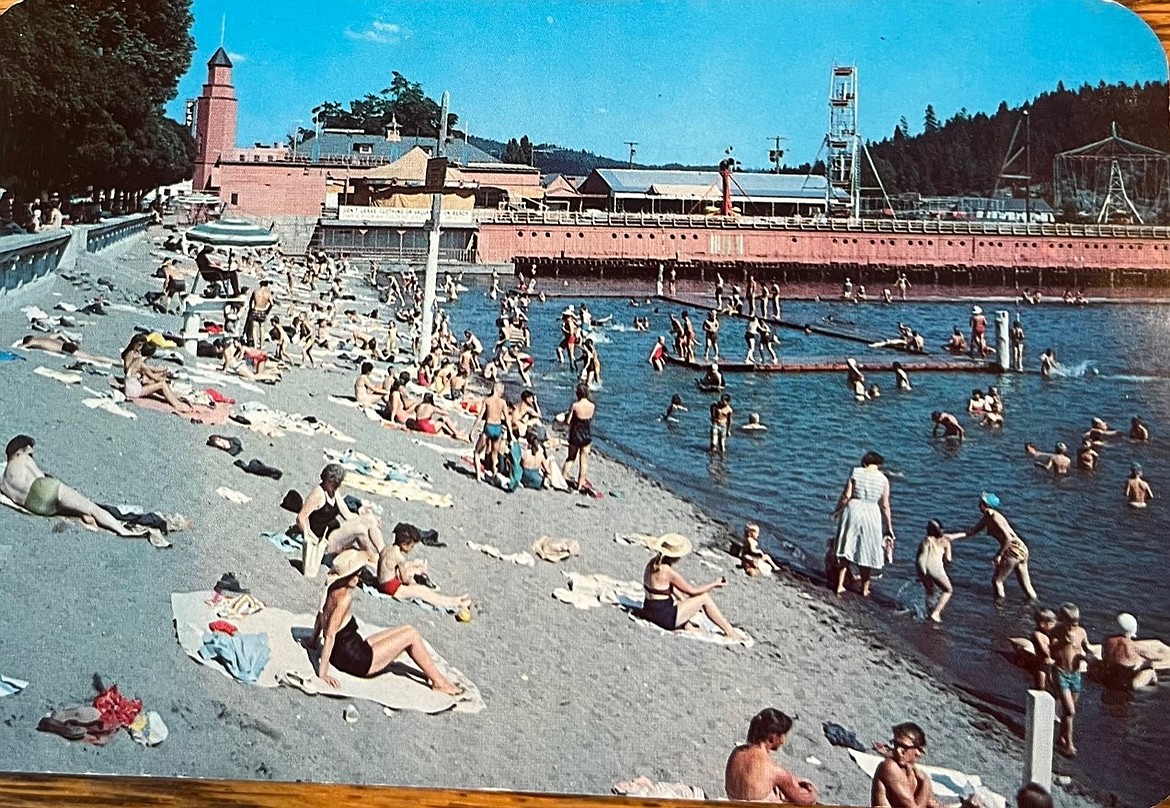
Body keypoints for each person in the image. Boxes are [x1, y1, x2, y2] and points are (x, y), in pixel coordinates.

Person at [307, 550, 462, 695]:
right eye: (355, 573)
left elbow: (321, 616)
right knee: (412, 636)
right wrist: (323, 673)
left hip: (348, 651)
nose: (359, 576)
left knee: (408, 628)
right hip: (358, 662)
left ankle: (431, 673)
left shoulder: (331, 587)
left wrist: (313, 642)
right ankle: (439, 682)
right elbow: (330, 636)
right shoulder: (344, 598)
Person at [1, 435, 149, 538]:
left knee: (65, 507)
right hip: (42, 488)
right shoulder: (24, 460)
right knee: (91, 506)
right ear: (20, 451)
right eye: (29, 452)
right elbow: (40, 477)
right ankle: (122, 531)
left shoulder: (4, 481)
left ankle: (84, 516)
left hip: (33, 505)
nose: (31, 455)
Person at [637, 533, 746, 642]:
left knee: (685, 603)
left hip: (648, 610)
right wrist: (714, 584)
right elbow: (692, 591)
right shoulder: (668, 572)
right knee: (704, 598)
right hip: (663, 617)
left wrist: (687, 602)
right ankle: (729, 632)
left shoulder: (652, 564)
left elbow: (669, 589)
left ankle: (688, 626)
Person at [295, 464, 386, 576]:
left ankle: (382, 556)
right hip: (322, 539)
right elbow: (301, 518)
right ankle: (380, 559)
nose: (338, 485)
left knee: (368, 521)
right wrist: (311, 538)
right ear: (329, 480)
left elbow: (347, 515)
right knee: (360, 530)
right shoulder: (318, 493)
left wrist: (367, 518)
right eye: (336, 482)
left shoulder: (334, 493)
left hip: (332, 532)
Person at [830, 451, 894, 597]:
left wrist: (837, 511)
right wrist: (889, 527)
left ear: (864, 462)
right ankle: (864, 589)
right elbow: (885, 505)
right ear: (878, 464)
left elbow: (846, 495)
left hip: (853, 510)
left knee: (847, 547)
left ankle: (839, 585)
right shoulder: (883, 479)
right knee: (867, 549)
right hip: (872, 513)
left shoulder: (856, 472)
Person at [953, 492, 1038, 601]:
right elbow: (973, 531)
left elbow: (1008, 538)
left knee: (997, 581)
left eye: (981, 502)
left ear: (985, 504)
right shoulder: (987, 517)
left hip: (1013, 549)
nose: (978, 504)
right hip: (1022, 548)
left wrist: (999, 555)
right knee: (1026, 585)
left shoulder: (993, 517)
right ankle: (1035, 605)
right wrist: (951, 536)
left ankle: (1000, 608)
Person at [725, 708, 818, 804]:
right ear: (773, 736)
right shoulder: (773, 770)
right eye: (782, 735)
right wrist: (810, 790)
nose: (783, 741)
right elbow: (804, 799)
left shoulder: (736, 753)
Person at [376, 524, 472, 612]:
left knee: (421, 589)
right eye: (412, 546)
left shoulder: (387, 548)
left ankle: (456, 600)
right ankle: (456, 603)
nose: (412, 548)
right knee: (423, 593)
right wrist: (414, 584)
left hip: (382, 583)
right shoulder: (399, 557)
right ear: (404, 545)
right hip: (390, 588)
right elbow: (405, 579)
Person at [1051, 602, 1092, 757]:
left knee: (1069, 713)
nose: (1073, 628)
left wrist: (1088, 656)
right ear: (1063, 620)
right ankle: (1069, 744)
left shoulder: (1081, 632)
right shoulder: (1057, 631)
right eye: (1070, 624)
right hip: (1061, 672)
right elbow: (1051, 650)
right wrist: (1063, 642)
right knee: (1070, 711)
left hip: (1075, 674)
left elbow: (1085, 647)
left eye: (1075, 624)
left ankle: (1061, 738)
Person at [871, 722, 940, 808]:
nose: (899, 751)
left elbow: (932, 803)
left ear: (918, 751)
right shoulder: (889, 766)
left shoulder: (914, 774)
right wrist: (925, 783)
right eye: (896, 745)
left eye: (904, 747)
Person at [120, 334, 191, 413]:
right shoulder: (138, 360)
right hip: (134, 390)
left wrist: (161, 373)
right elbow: (152, 374)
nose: (140, 348)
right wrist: (164, 376)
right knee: (162, 384)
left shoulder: (131, 355)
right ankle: (176, 404)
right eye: (139, 345)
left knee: (155, 382)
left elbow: (145, 370)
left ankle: (174, 398)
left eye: (142, 346)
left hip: (131, 386)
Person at [916, 520, 963, 622]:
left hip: (922, 567)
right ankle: (936, 613)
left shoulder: (926, 540)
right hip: (935, 568)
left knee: (930, 591)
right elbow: (948, 559)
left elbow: (919, 556)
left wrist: (920, 574)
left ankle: (927, 612)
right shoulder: (945, 541)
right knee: (948, 590)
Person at [1100, 613, 1158, 690]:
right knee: (1150, 670)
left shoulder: (1107, 641)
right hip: (1125, 684)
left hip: (1108, 678)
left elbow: (1103, 656)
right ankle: (1154, 689)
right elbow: (1157, 657)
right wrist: (1141, 662)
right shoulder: (1133, 646)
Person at [473, 382, 510, 484]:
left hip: (489, 426)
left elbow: (480, 416)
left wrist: (473, 430)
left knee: (477, 452)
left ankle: (478, 476)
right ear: (499, 390)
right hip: (497, 428)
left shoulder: (487, 400)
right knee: (494, 454)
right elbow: (507, 419)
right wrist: (510, 433)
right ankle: (494, 474)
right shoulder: (502, 402)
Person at [562, 383, 596, 491]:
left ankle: (563, 478)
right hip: (586, 433)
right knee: (584, 462)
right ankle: (580, 485)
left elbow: (568, 421)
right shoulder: (592, 406)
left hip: (575, 433)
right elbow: (590, 419)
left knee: (571, 458)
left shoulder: (575, 405)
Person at [1029, 608, 1057, 690]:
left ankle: (1058, 698)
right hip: (1042, 664)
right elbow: (1045, 650)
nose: (1055, 625)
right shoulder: (1038, 634)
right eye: (1052, 624)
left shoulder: (1051, 633)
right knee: (1041, 685)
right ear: (1042, 624)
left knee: (1055, 685)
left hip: (1050, 663)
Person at [244, 280, 274, 348]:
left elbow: (251, 302)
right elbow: (272, 303)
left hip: (256, 309)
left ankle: (255, 345)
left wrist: (251, 309)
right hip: (263, 310)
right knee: (262, 328)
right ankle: (262, 345)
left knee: (254, 327)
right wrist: (267, 310)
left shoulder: (256, 292)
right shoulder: (267, 294)